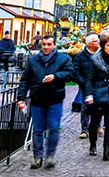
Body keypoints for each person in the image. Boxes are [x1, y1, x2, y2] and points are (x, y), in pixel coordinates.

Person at [17, 35, 74, 169]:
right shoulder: (33, 60)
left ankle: (50, 156)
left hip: (55, 99)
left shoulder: (63, 59)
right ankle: (37, 157)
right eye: (44, 44)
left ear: (54, 45)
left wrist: (56, 76)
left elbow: (70, 73)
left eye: (49, 44)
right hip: (38, 99)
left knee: (53, 128)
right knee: (37, 130)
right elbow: (25, 80)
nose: (46, 47)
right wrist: (21, 98)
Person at [84, 36, 109, 161]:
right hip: (97, 94)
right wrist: (89, 94)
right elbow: (88, 78)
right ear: (103, 47)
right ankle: (93, 144)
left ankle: (106, 148)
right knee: (94, 122)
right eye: (108, 45)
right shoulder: (95, 60)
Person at [73, 33, 99, 138]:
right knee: (85, 107)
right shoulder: (80, 56)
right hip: (85, 84)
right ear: (88, 44)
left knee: (98, 106)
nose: (98, 42)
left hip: (99, 84)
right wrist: (82, 81)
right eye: (95, 41)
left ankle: (97, 125)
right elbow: (75, 70)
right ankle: (84, 129)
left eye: (98, 40)